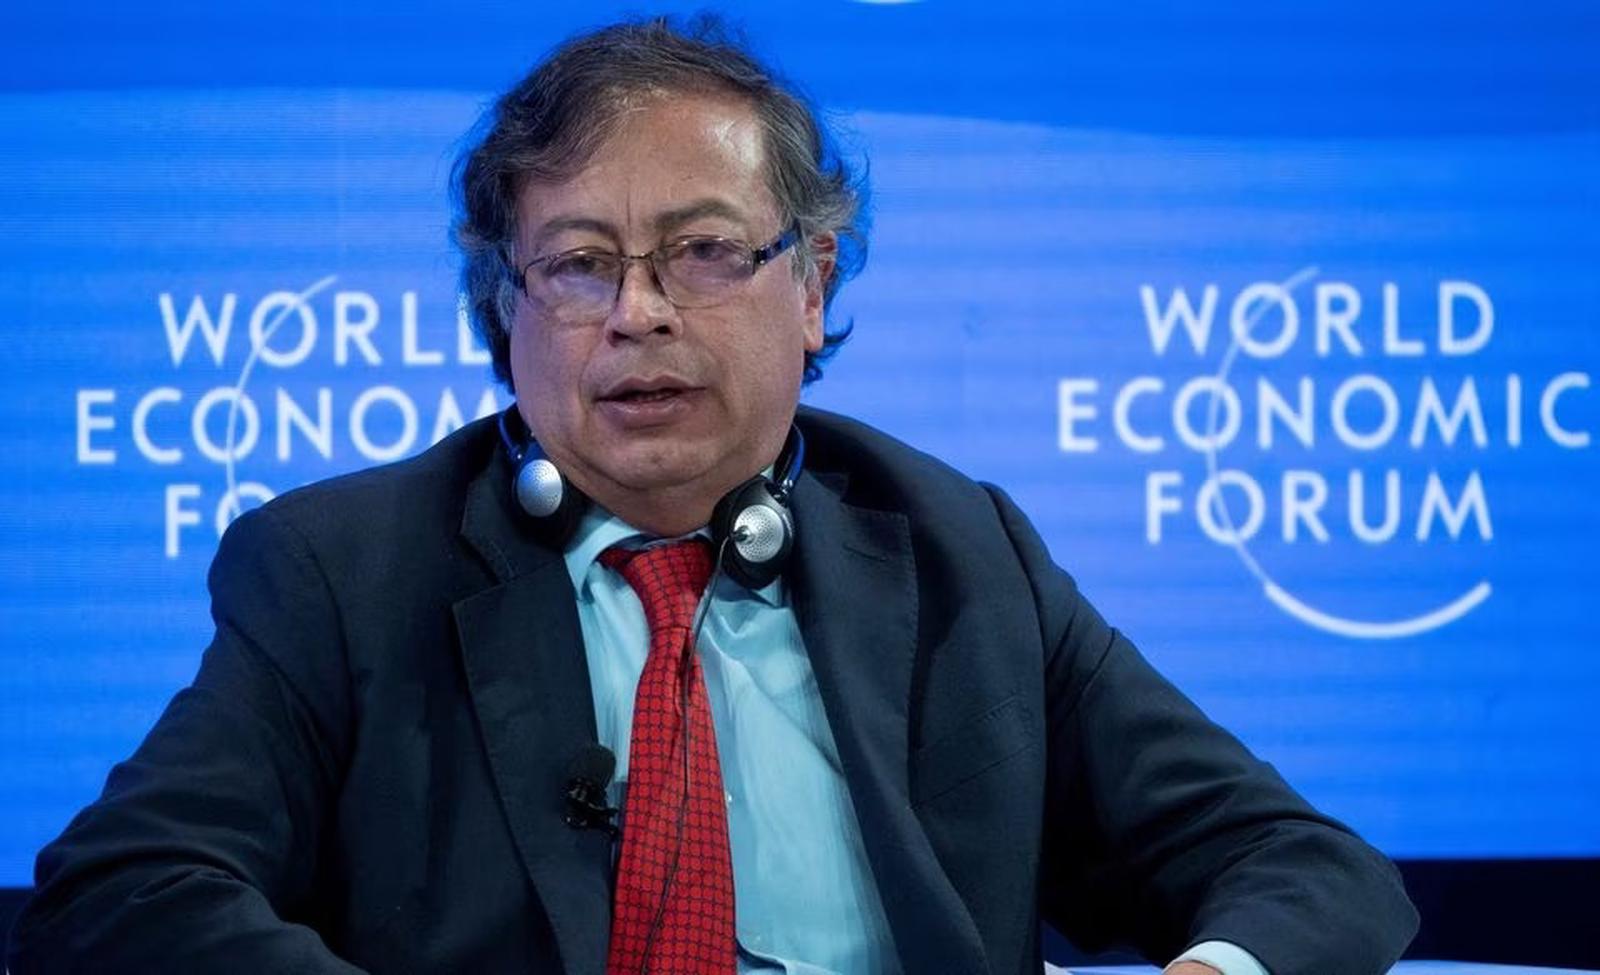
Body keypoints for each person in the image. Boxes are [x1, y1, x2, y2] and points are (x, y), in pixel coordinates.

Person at [7, 16, 1417, 975]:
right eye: (577, 264)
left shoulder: (960, 553)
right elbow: (125, 891)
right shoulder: (341, 569)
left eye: (703, 253)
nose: (639, 314)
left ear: (811, 286)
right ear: (503, 309)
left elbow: (1302, 865)